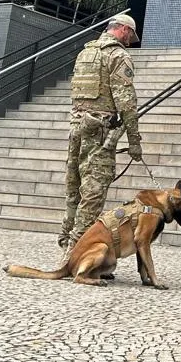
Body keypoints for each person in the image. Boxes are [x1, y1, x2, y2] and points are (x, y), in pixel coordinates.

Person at [59, 13, 143, 251]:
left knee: (74, 186)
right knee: (94, 190)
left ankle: (66, 236)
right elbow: (126, 102)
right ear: (124, 30)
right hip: (99, 133)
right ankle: (77, 251)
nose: (130, 41)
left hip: (77, 127)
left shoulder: (86, 53)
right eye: (131, 35)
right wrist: (134, 141)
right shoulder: (118, 55)